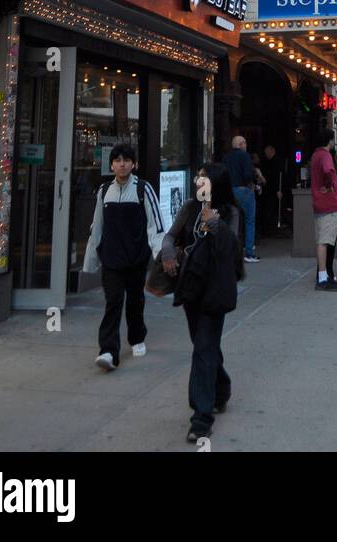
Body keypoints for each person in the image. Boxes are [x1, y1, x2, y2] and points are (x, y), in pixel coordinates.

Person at [162, 163, 243, 443]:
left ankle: (201, 418)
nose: (199, 181)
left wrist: (215, 223)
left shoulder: (229, 212)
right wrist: (167, 254)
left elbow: (232, 248)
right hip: (191, 286)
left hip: (216, 288)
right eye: (198, 177)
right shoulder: (189, 208)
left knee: (203, 348)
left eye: (204, 178)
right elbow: (170, 236)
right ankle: (221, 388)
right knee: (203, 345)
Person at [83, 143, 165, 370]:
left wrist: (160, 256)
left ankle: (137, 337)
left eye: (126, 160)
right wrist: (91, 259)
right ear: (111, 165)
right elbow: (96, 227)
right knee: (113, 302)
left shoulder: (143, 189)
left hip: (136, 259)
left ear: (134, 164)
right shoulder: (103, 192)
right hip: (111, 259)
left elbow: (155, 225)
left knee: (135, 300)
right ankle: (108, 351)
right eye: (117, 160)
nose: (122, 164)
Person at [310, 128, 337, 290]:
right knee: (325, 240)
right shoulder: (325, 156)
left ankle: (323, 274)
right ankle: (323, 277)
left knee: (322, 240)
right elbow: (328, 171)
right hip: (328, 203)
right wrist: (329, 187)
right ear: (329, 140)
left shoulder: (315, 155)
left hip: (320, 203)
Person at [224, 134, 259, 262]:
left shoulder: (226, 157)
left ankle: (231, 252)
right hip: (244, 190)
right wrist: (251, 185)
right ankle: (249, 253)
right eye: (244, 143)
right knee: (249, 221)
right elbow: (248, 174)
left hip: (230, 190)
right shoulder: (245, 156)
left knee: (232, 221)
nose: (246, 145)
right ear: (240, 145)